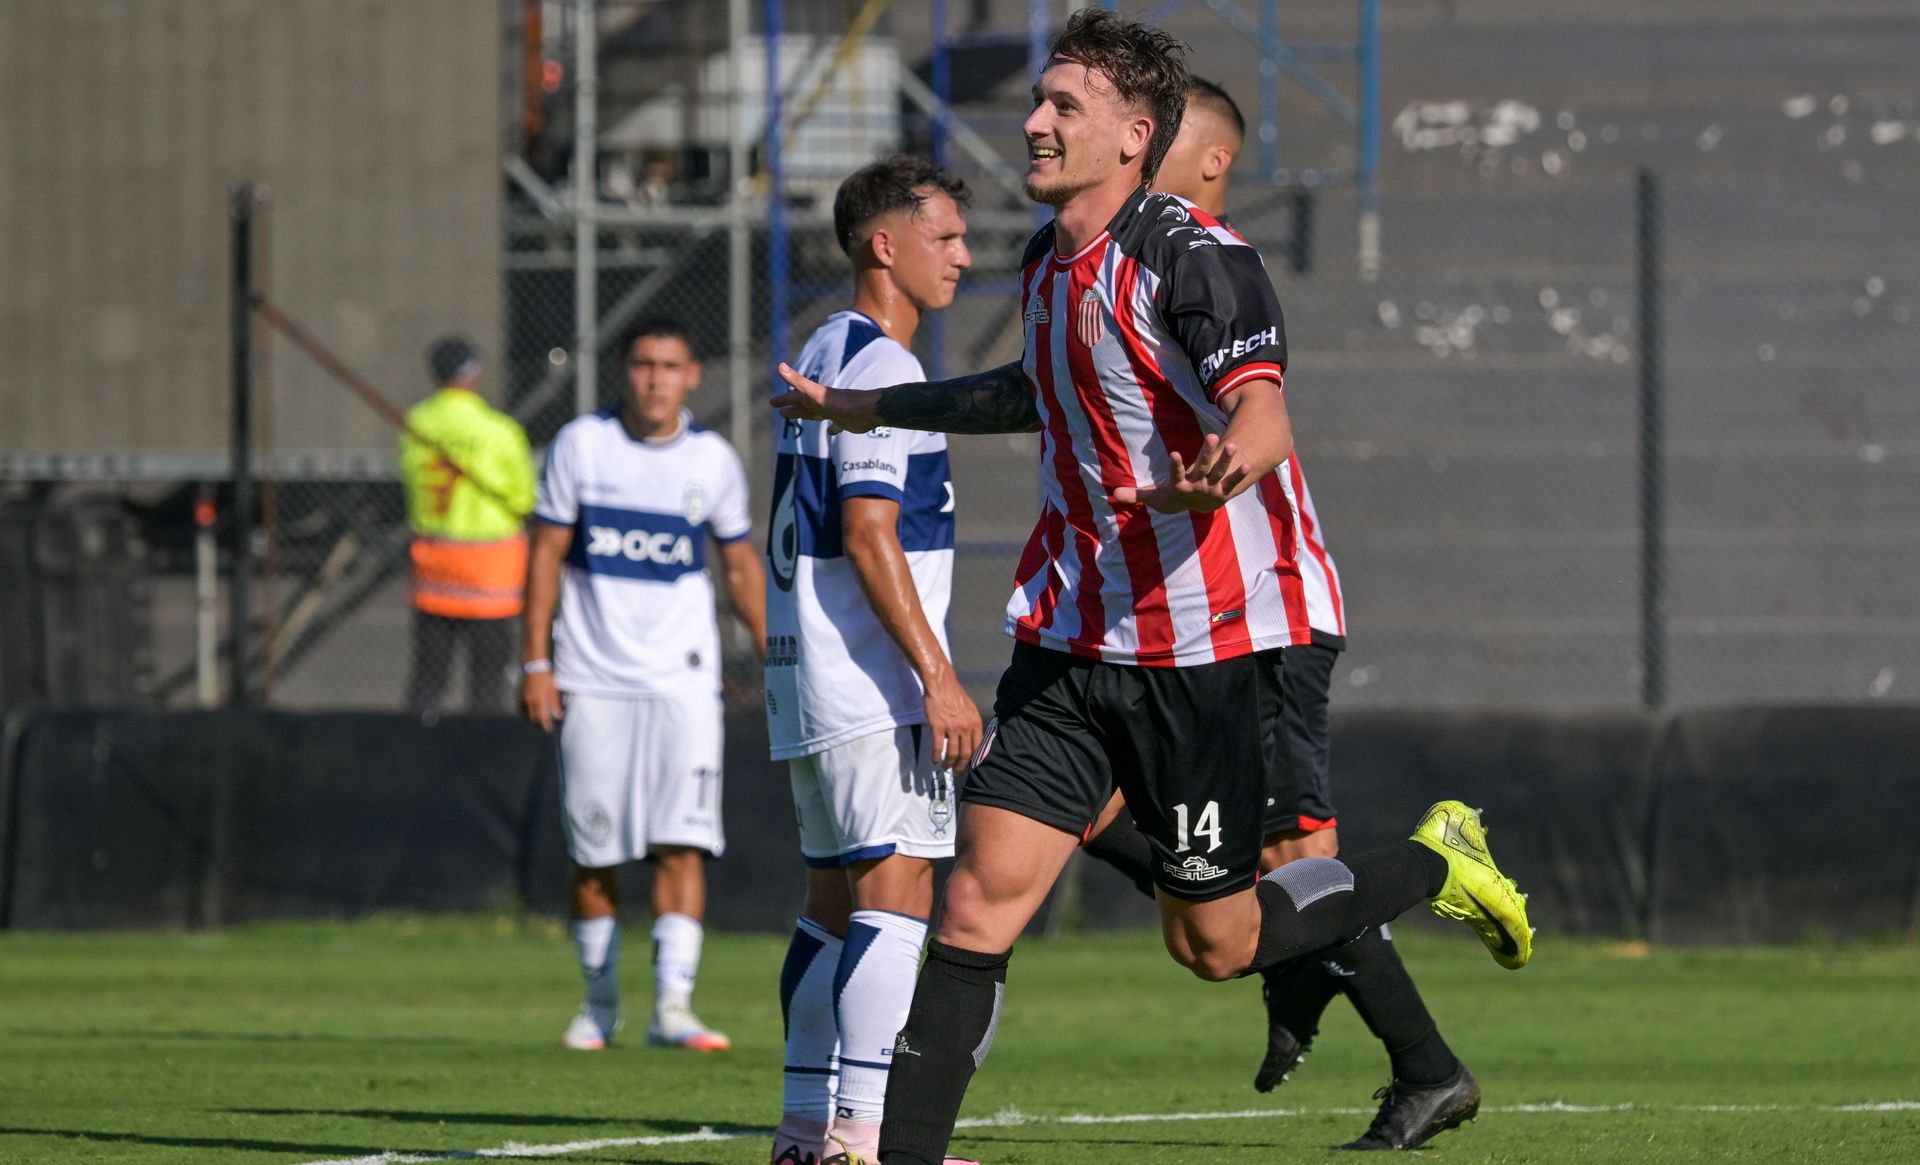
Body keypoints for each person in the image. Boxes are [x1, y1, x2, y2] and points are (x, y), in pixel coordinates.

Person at [770, 12, 1533, 1164]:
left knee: (1217, 944)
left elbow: (1266, 409)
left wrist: (1232, 456)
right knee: (975, 904)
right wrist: (864, 408)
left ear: (1136, 134)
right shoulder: (1043, 259)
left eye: (1062, 107)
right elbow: (1029, 393)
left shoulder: (1197, 254)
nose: (1032, 121)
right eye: (1038, 101)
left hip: (1193, 657)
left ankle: (1436, 862)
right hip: (1067, 646)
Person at [1075, 76, 1480, 1151]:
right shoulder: (1109, 263)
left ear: (1199, 161)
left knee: (1301, 859)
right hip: (1169, 620)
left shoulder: (1199, 259)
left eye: (1146, 139)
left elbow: (1263, 413)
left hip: (1267, 609)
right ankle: (1315, 981)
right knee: (1124, 816)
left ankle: (1434, 937)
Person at [764, 155, 982, 1165]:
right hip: (868, 682)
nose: (964, 258)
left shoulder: (825, 344)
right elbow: (870, 530)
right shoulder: (887, 370)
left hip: (806, 675)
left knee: (831, 905)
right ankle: (867, 1139)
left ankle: (808, 1131)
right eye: (945, 238)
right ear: (881, 245)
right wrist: (937, 674)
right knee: (900, 901)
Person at [519, 317, 766, 1053]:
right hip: (592, 679)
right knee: (594, 852)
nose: (655, 378)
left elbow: (741, 569)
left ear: (693, 376)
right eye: (643, 364)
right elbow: (544, 561)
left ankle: (673, 1008)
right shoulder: (581, 446)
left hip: (684, 684)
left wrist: (776, 653)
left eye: (670, 364)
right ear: (623, 372)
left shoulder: (712, 460)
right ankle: (599, 1005)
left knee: (681, 843)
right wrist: (536, 662)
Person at [397, 335, 536, 713]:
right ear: (473, 373)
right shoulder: (499, 431)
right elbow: (523, 497)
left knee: (428, 678)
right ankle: (481, 761)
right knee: (488, 681)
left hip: (434, 564)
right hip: (491, 573)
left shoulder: (415, 423)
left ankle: (415, 750)